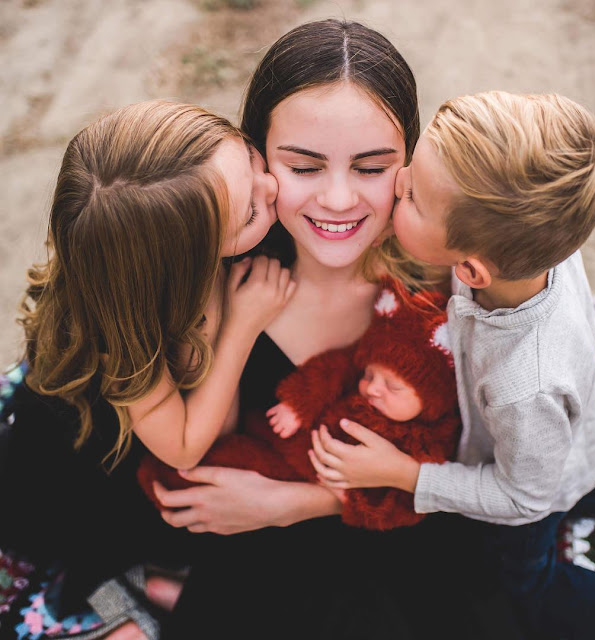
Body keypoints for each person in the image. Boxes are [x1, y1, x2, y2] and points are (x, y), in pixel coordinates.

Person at [153, 18, 489, 640]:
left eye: (371, 168)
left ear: (410, 163)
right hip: (253, 553)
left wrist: (297, 504)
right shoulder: (226, 276)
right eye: (304, 167)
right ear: (257, 160)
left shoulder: (444, 284)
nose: (337, 201)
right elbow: (206, 461)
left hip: (406, 536)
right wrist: (231, 328)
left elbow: (477, 469)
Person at [310, 91, 595, 639]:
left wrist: (403, 473)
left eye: (412, 196)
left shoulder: (522, 384)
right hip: (566, 446)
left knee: (522, 592)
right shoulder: (541, 241)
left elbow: (522, 496)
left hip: (528, 489)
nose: (397, 183)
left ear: (470, 270)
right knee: (575, 474)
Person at [0, 99, 288, 626]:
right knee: (157, 524)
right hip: (81, 478)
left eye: (248, 157)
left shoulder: (159, 252)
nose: (272, 185)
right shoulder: (125, 339)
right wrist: (242, 326)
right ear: (188, 264)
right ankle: (140, 580)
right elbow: (186, 446)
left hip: (147, 437)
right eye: (250, 211)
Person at [137, 275, 460, 531]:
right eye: (371, 376)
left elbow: (439, 493)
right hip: (270, 456)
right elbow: (330, 374)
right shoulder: (241, 284)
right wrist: (297, 404)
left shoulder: (427, 303)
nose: (336, 200)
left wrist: (315, 501)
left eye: (391, 385)